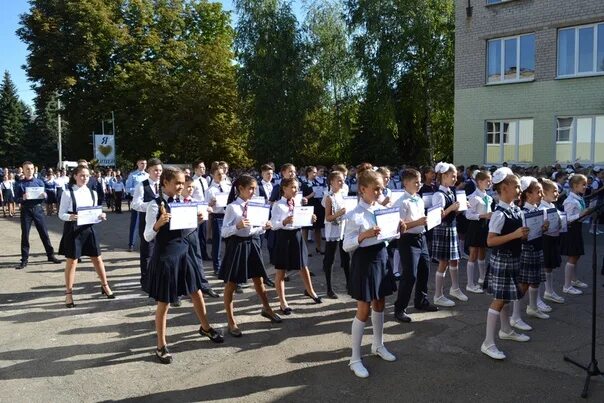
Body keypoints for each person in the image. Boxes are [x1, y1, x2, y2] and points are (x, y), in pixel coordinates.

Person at [143, 166, 224, 364]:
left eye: (182, 183)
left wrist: (196, 220)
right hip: (166, 257)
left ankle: (205, 327)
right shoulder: (155, 205)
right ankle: (161, 345)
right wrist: (158, 224)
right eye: (177, 183)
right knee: (165, 301)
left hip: (185, 254)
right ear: (165, 183)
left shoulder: (183, 203)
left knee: (195, 291)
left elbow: (185, 229)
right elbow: (147, 236)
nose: (181, 186)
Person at [343, 169, 400, 378]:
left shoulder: (383, 210)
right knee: (363, 310)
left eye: (381, 189)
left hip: (381, 256)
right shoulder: (354, 215)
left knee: (380, 303)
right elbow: (346, 245)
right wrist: (362, 236)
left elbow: (387, 237)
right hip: (364, 261)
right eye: (375, 189)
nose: (379, 192)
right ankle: (354, 358)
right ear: (363, 189)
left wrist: (397, 230)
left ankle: (378, 345)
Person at [219, 174, 282, 337]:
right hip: (237, 246)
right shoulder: (233, 207)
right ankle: (231, 321)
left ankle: (267, 309)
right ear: (240, 189)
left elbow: (257, 227)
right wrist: (237, 226)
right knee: (231, 284)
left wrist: (265, 226)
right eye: (251, 188)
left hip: (253, 243)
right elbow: (224, 232)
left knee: (259, 280)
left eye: (255, 188)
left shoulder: (256, 205)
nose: (254, 192)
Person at [481, 167, 530, 360]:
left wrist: (524, 235)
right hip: (503, 259)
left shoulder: (515, 209)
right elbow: (490, 241)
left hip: (513, 257)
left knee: (506, 297)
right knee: (499, 299)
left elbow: (516, 236)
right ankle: (488, 342)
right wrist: (515, 235)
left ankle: (506, 330)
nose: (519, 190)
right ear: (504, 188)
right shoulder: (500, 213)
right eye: (516, 186)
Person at [58, 165, 115, 308]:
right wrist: (71, 216)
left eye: (87, 176)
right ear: (75, 176)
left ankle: (105, 285)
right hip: (73, 228)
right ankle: (69, 293)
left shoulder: (93, 193)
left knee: (97, 258)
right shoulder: (67, 192)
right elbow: (61, 214)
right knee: (72, 261)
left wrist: (101, 215)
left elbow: (96, 211)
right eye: (82, 175)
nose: (84, 178)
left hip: (89, 228)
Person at [270, 177, 322, 315]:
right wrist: (284, 222)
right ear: (284, 188)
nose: (296, 190)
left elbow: (302, 219)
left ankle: (311, 291)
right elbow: (273, 225)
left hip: (296, 236)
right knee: (281, 270)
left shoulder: (297, 202)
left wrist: (311, 218)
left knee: (303, 265)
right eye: (293, 187)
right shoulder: (278, 205)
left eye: (297, 187)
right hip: (283, 237)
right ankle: (282, 301)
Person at [392, 169, 438, 323]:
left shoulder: (418, 198)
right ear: (405, 183)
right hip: (407, 240)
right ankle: (400, 308)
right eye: (415, 182)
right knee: (410, 275)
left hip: (421, 238)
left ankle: (421, 301)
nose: (419, 185)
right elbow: (398, 226)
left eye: (419, 181)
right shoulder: (401, 202)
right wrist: (417, 223)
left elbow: (422, 219)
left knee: (425, 270)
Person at [508, 177, 549, 333]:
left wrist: (543, 228)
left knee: (535, 281)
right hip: (527, 250)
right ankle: (515, 317)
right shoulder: (523, 212)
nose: (541, 194)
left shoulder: (537, 210)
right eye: (538, 192)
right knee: (523, 284)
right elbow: (521, 236)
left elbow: (536, 232)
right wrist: (526, 234)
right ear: (528, 194)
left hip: (537, 248)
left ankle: (532, 307)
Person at [14, 161, 62, 270]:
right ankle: (24, 259)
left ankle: (50, 255)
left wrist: (45, 195)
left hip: (38, 209)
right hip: (26, 211)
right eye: (27, 169)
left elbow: (44, 197)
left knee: (44, 233)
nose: (29, 171)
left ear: (34, 169)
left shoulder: (40, 182)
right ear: (23, 170)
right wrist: (23, 198)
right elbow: (15, 199)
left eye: (31, 168)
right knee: (25, 235)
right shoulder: (19, 184)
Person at [180, 176, 219, 300]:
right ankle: (179, 293)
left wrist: (203, 216)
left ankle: (204, 285)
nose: (191, 189)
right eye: (188, 187)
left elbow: (198, 221)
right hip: (180, 237)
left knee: (197, 259)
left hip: (192, 234)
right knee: (181, 263)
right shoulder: (176, 202)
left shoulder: (194, 201)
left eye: (192, 187)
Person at [431, 162, 465, 307]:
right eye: (452, 176)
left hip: (451, 228)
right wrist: (452, 207)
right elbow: (438, 216)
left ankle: (455, 288)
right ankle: (438, 295)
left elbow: (451, 213)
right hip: (443, 230)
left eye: (455, 176)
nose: (454, 179)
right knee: (443, 263)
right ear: (444, 176)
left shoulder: (450, 191)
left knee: (455, 260)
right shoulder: (439, 194)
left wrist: (460, 208)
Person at [132, 158, 162, 291]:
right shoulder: (142, 185)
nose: (158, 173)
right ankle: (145, 280)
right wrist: (150, 206)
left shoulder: (164, 184)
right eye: (155, 170)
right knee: (147, 252)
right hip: (146, 221)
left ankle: (159, 278)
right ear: (149, 170)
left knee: (161, 250)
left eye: (160, 170)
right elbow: (135, 204)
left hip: (163, 221)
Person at [322, 171, 350, 298]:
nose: (342, 182)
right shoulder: (329, 197)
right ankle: (329, 288)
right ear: (331, 181)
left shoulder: (343, 195)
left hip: (343, 228)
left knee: (346, 257)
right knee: (330, 259)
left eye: (342, 179)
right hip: (333, 230)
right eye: (339, 180)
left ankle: (349, 284)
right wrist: (339, 213)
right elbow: (328, 217)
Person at [561, 173, 590, 295]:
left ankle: (574, 280)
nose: (585, 187)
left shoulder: (578, 198)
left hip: (577, 228)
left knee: (576, 256)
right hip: (571, 230)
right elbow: (566, 219)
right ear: (574, 185)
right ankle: (567, 285)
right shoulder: (570, 201)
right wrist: (581, 214)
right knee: (572, 256)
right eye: (583, 184)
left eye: (586, 184)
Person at [465, 170, 493, 293]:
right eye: (488, 181)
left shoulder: (488, 197)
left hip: (485, 226)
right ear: (479, 182)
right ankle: (470, 284)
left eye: (490, 181)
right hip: (476, 226)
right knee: (473, 253)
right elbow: (468, 214)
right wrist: (483, 216)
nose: (490, 183)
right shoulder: (473, 197)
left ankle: (482, 279)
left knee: (482, 252)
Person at [538, 178, 565, 305]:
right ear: (544, 192)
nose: (557, 193)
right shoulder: (541, 208)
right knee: (544, 268)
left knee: (549, 267)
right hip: (546, 240)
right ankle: (538, 298)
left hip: (554, 238)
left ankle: (549, 291)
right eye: (554, 191)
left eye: (558, 191)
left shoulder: (552, 205)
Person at [206, 165, 232, 275]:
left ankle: (227, 265)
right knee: (217, 243)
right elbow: (206, 205)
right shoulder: (210, 190)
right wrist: (211, 204)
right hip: (218, 216)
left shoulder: (228, 187)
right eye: (218, 174)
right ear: (213, 175)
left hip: (228, 216)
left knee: (229, 243)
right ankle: (217, 267)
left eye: (222, 173)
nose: (221, 176)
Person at [125, 159, 149, 251]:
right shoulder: (133, 175)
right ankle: (131, 243)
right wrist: (137, 191)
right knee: (135, 224)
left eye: (145, 163)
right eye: (142, 163)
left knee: (147, 223)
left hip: (147, 202)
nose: (144, 165)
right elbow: (127, 188)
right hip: (137, 202)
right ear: (137, 164)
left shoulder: (148, 175)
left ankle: (145, 241)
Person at [191, 161, 212, 261]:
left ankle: (203, 253)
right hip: (196, 208)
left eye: (204, 167)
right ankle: (195, 253)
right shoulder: (192, 181)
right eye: (200, 167)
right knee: (195, 232)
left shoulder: (204, 180)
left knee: (203, 232)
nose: (203, 169)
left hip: (204, 208)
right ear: (195, 169)